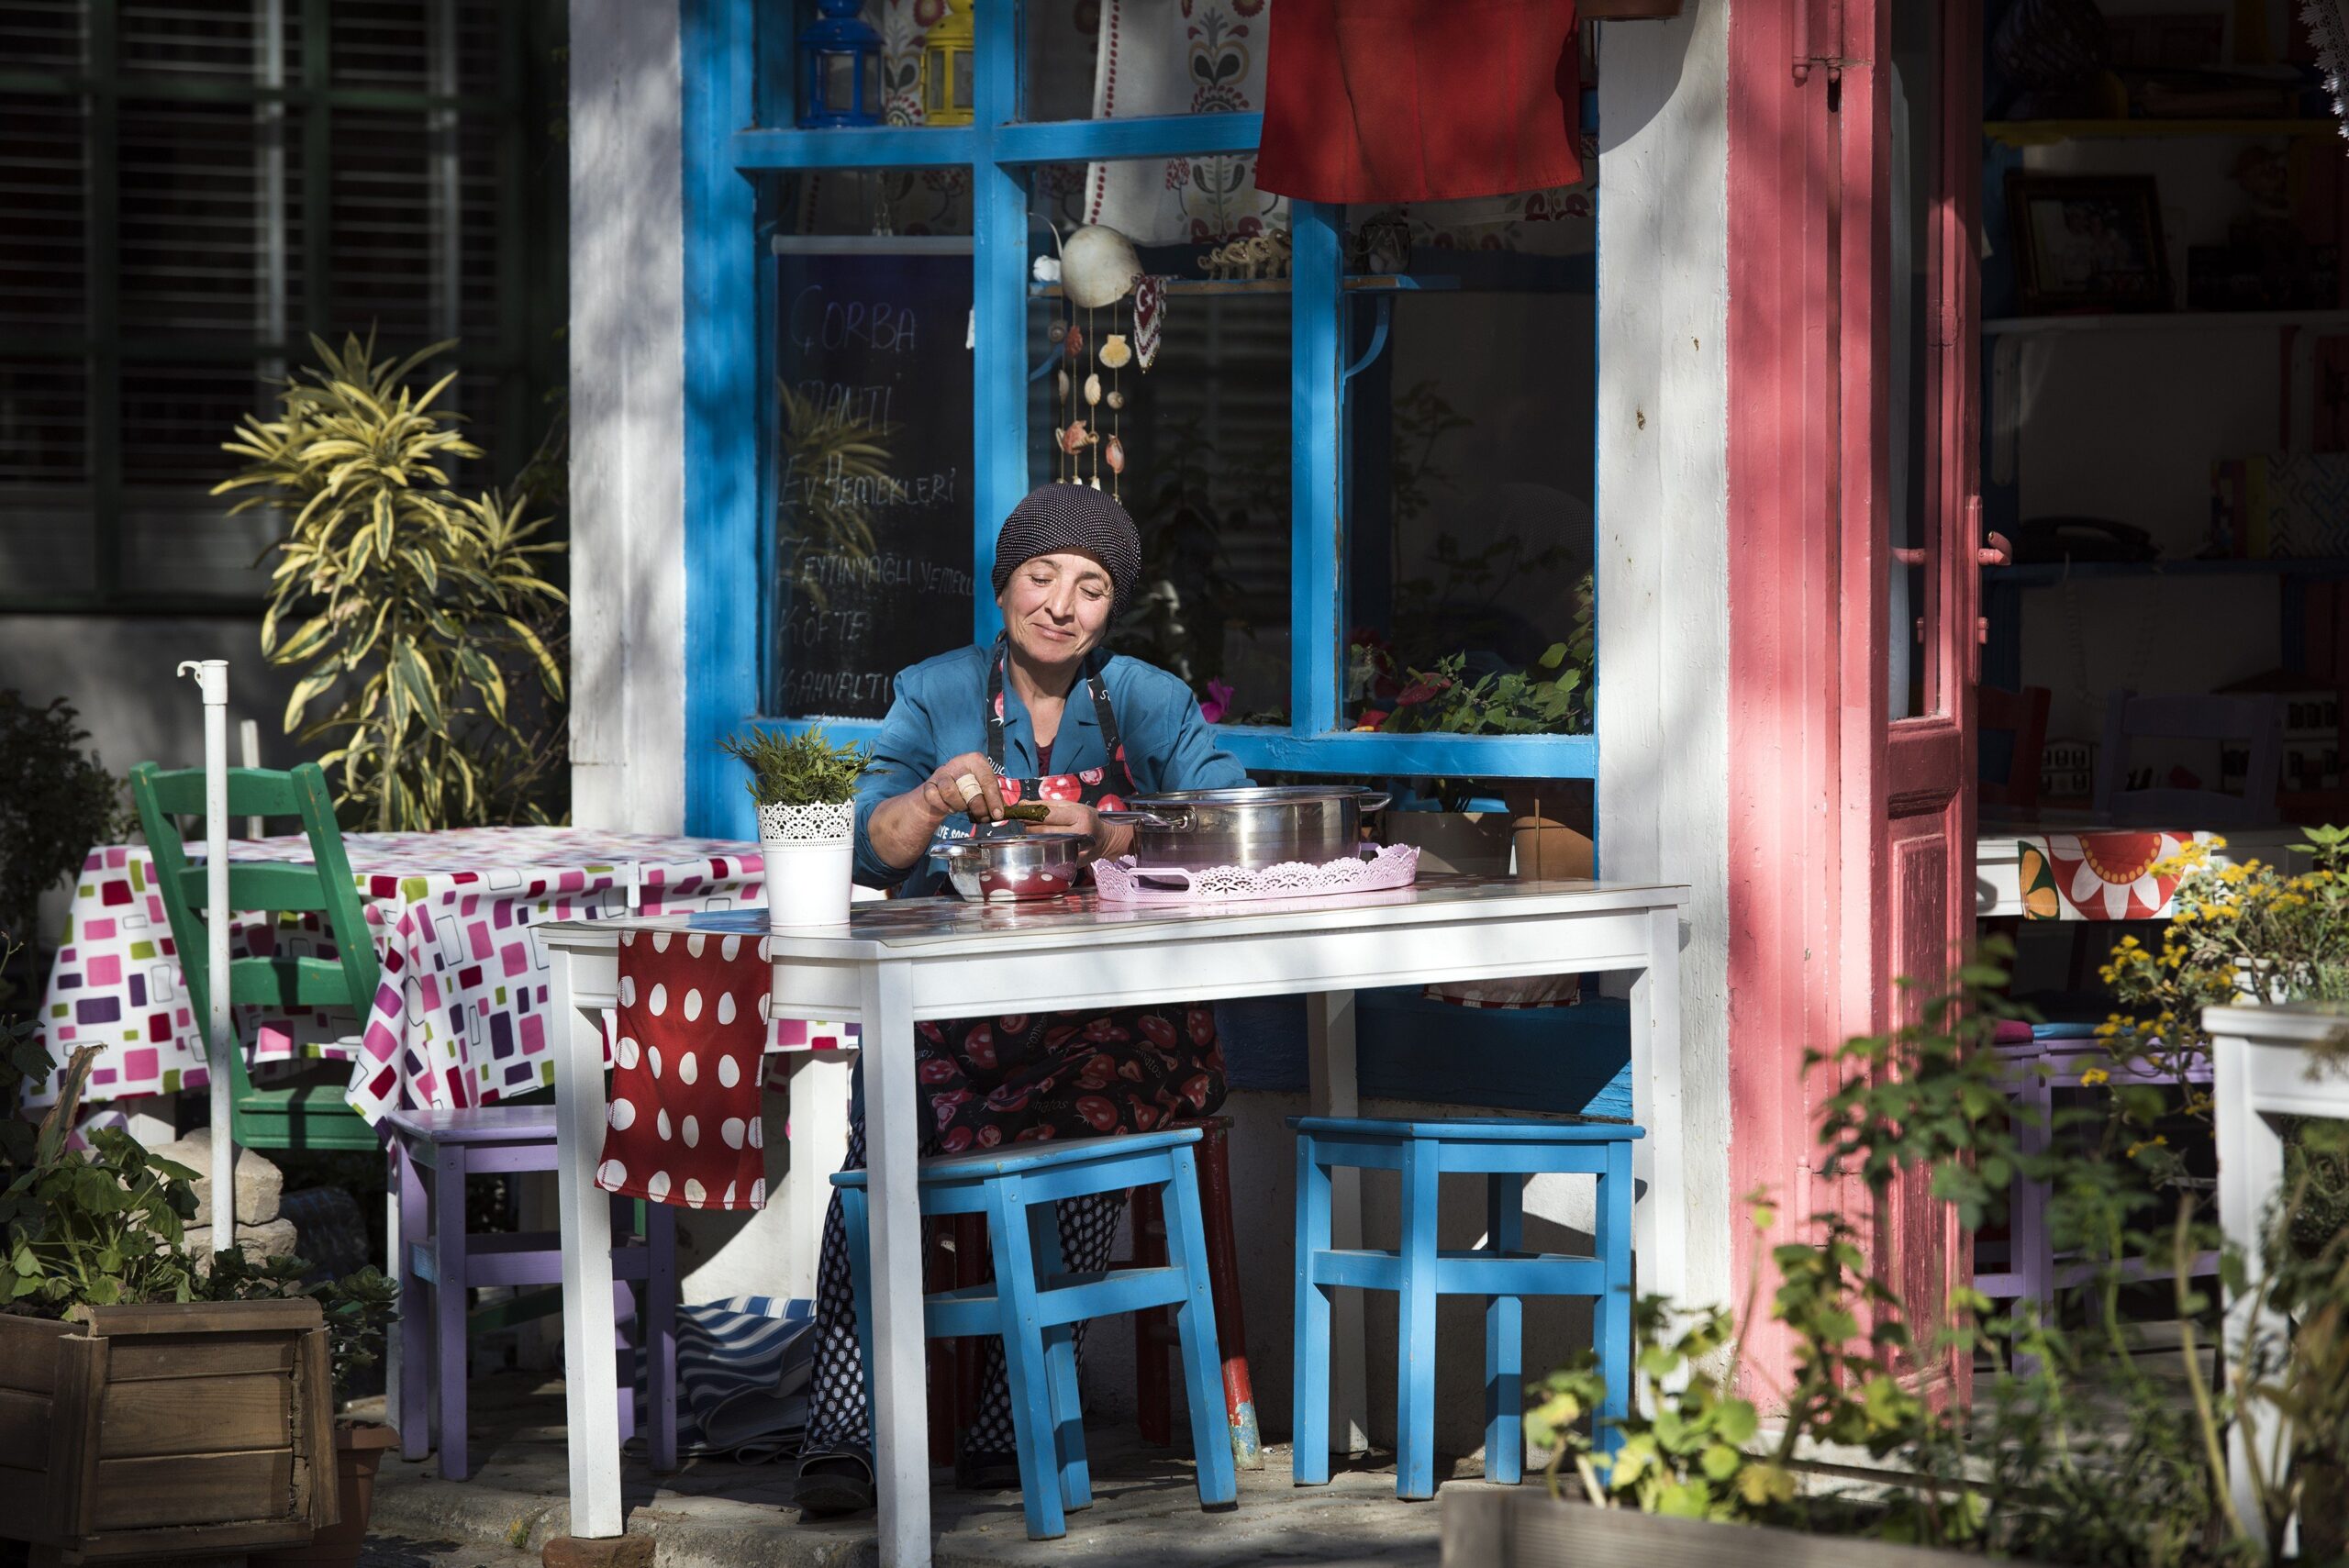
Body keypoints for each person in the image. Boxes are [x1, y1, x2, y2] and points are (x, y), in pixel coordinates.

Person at [793, 482, 1248, 1515]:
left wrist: (1108, 831)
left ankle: (1017, 1403)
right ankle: (845, 1422)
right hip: (952, 1012)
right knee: (880, 1149)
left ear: (1111, 606)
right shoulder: (935, 691)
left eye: (1090, 586)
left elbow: (1227, 820)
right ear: (1003, 587)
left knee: (1100, 1112)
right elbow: (868, 843)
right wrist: (933, 795)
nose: (1061, 604)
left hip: (1106, 1011)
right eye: (1041, 577)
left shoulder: (1145, 699)